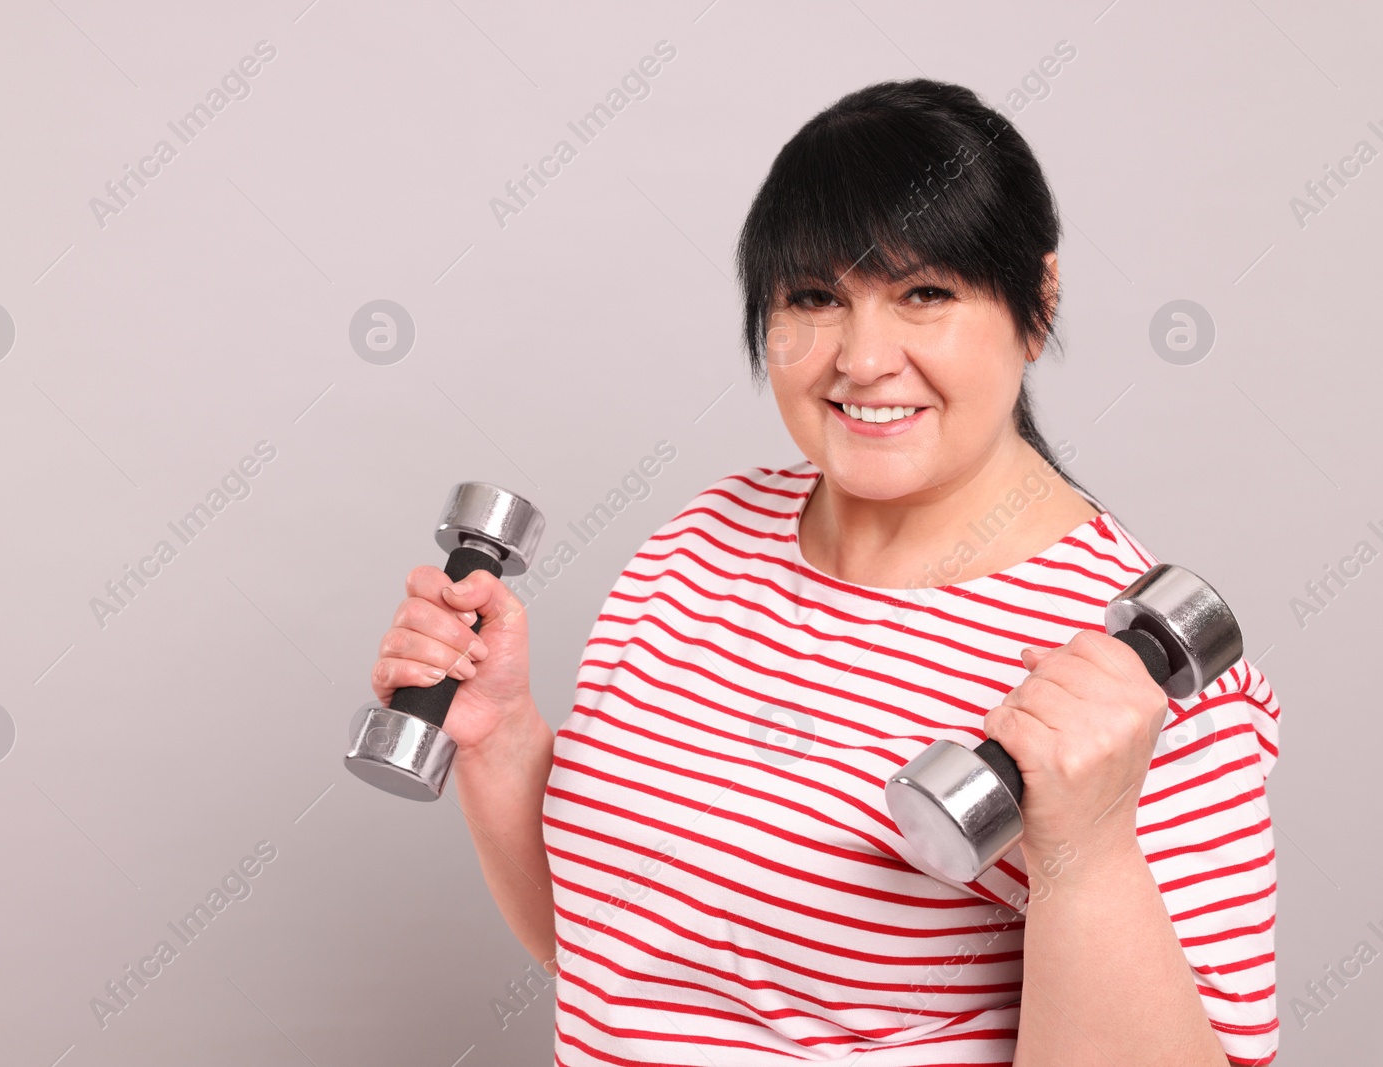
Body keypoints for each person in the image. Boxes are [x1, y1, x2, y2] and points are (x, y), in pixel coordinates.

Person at [370, 78, 1279, 1066]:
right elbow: (615, 959)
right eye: (813, 298)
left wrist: (1089, 851)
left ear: (1036, 302)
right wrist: (501, 736)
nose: (861, 357)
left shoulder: (1130, 676)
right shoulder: (702, 540)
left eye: (925, 293)